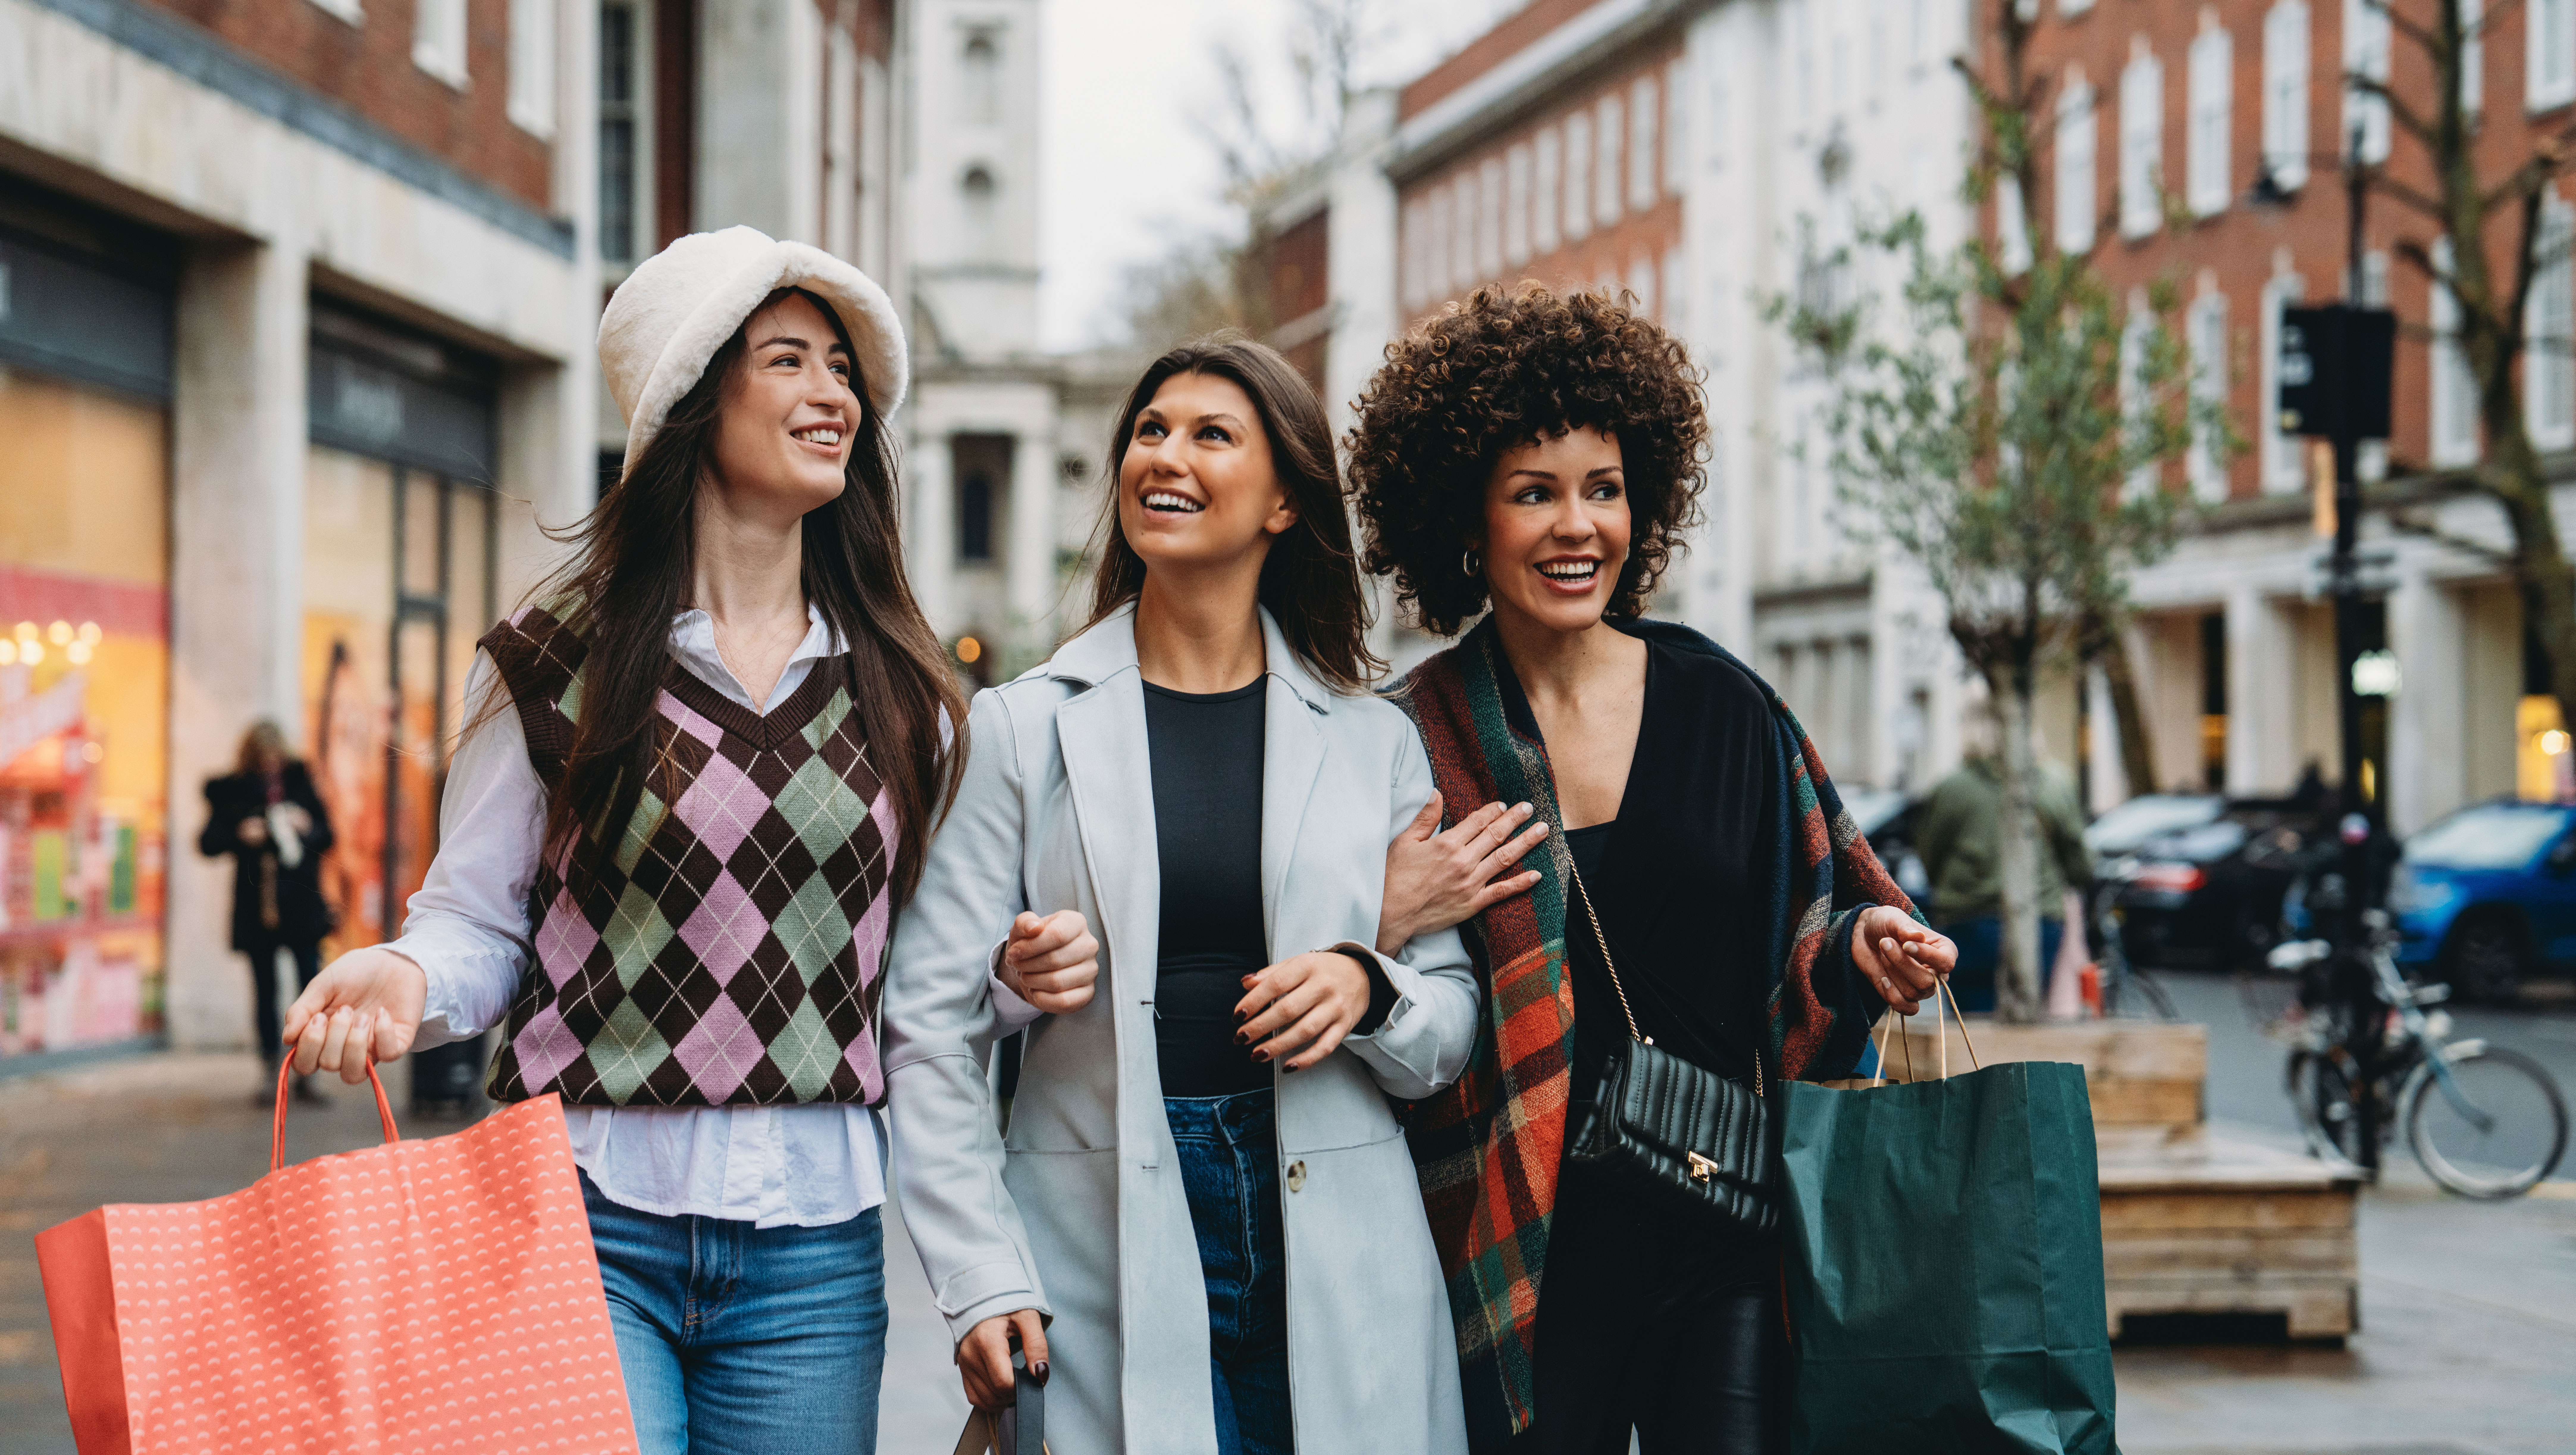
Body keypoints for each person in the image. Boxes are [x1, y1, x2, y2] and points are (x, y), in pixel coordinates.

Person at [275, 227, 1036, 1455]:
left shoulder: (901, 686)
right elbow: (478, 920)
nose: (831, 393)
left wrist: (1010, 976)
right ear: (694, 398)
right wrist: (407, 976)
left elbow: (912, 975)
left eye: (841, 368)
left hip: (814, 1252)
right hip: (577, 1220)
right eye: (787, 359)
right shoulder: (552, 657)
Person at [1348, 282, 1954, 1455]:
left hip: (1719, 1229)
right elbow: (1354, 972)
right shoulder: (1415, 735)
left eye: (1604, 489)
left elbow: (1804, 924)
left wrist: (1856, 950)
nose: (1578, 526)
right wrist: (1378, 911)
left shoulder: (1724, 704)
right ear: (1466, 521)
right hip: (1515, 1247)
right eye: (1535, 493)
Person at [885, 336, 1481, 1455]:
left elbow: (1449, 1025)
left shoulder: (1372, 740)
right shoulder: (1021, 728)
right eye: (1151, 430)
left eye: (1213, 434)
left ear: (1286, 502)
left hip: (1342, 1249)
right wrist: (977, 1274)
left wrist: (1365, 979)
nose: (1167, 454)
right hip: (1093, 1243)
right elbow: (928, 1023)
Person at [1914, 708, 2094, 1013]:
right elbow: (2078, 862)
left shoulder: (1951, 788)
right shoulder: (2054, 784)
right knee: (2027, 1016)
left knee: (1971, 1023)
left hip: (1966, 919)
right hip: (2039, 919)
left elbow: (1930, 852)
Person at [199, 720, 336, 1103]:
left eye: (275, 760)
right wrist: (241, 835)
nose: (271, 767)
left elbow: (328, 835)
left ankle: (311, 1070)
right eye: (264, 761)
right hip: (258, 909)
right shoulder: (232, 792)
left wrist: (306, 827)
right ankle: (270, 1071)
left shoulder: (301, 784)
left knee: (312, 986)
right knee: (265, 991)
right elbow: (208, 841)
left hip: (301, 906)